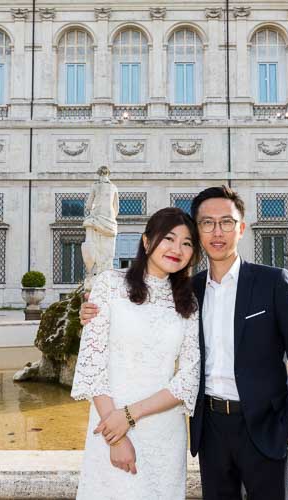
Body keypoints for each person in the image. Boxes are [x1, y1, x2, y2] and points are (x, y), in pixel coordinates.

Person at [81, 186, 288, 500]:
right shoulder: (190, 291)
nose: (217, 231)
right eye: (207, 223)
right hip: (210, 431)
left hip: (263, 427)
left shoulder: (272, 282)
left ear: (241, 228)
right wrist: (88, 314)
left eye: (226, 222)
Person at [71, 207, 202, 500]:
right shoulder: (109, 284)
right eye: (169, 238)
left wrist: (128, 416)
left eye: (187, 243)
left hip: (163, 432)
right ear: (146, 242)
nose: (177, 249)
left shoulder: (189, 302)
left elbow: (189, 378)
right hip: (110, 424)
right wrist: (115, 434)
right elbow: (93, 364)